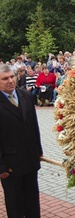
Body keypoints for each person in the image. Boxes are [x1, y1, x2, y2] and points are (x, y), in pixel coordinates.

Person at [0, 64, 43, 217]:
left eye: (12, 76)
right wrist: (2, 167)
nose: (10, 81)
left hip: (30, 161)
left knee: (32, 201)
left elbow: (33, 126)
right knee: (15, 204)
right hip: (10, 167)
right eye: (5, 78)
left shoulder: (25, 95)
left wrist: (38, 153)